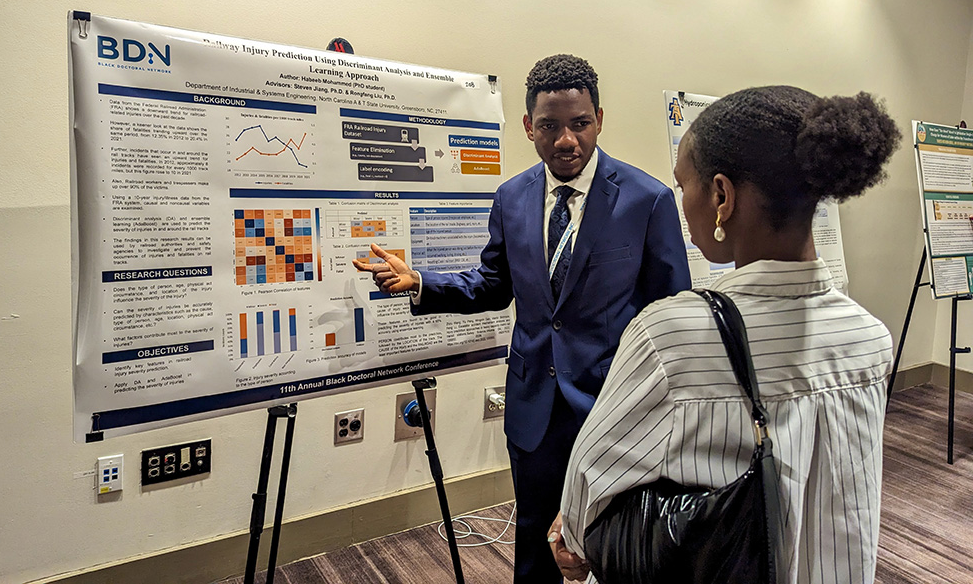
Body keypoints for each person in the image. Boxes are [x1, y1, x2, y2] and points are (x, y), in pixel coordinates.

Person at [353, 54, 691, 584]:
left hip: (614, 409)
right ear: (530, 125)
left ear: (599, 119)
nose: (566, 140)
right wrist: (420, 281)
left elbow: (670, 314)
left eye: (580, 124)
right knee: (535, 538)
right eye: (551, 126)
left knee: (615, 542)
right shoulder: (512, 197)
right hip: (535, 406)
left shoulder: (647, 200)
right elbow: (494, 285)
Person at [550, 86, 901, 583]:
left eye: (683, 185)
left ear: (721, 196)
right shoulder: (870, 337)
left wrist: (575, 537)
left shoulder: (669, 336)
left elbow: (588, 489)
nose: (681, 200)